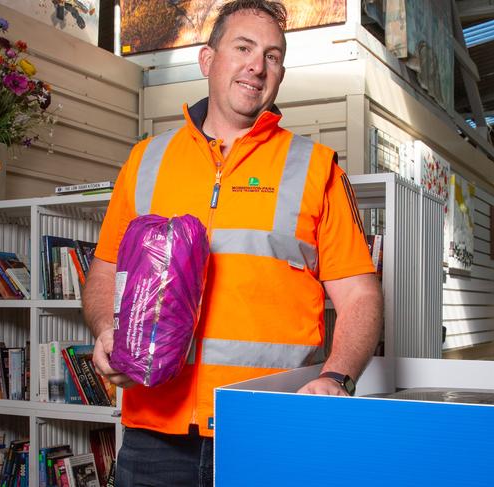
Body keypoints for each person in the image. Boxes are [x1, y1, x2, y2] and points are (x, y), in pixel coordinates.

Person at [82, 1, 383, 485]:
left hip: (271, 431)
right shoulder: (145, 160)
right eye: (243, 47)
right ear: (207, 59)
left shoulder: (316, 167)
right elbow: (104, 271)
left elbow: (361, 295)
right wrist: (105, 330)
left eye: (273, 55)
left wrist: (336, 377)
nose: (257, 66)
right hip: (155, 433)